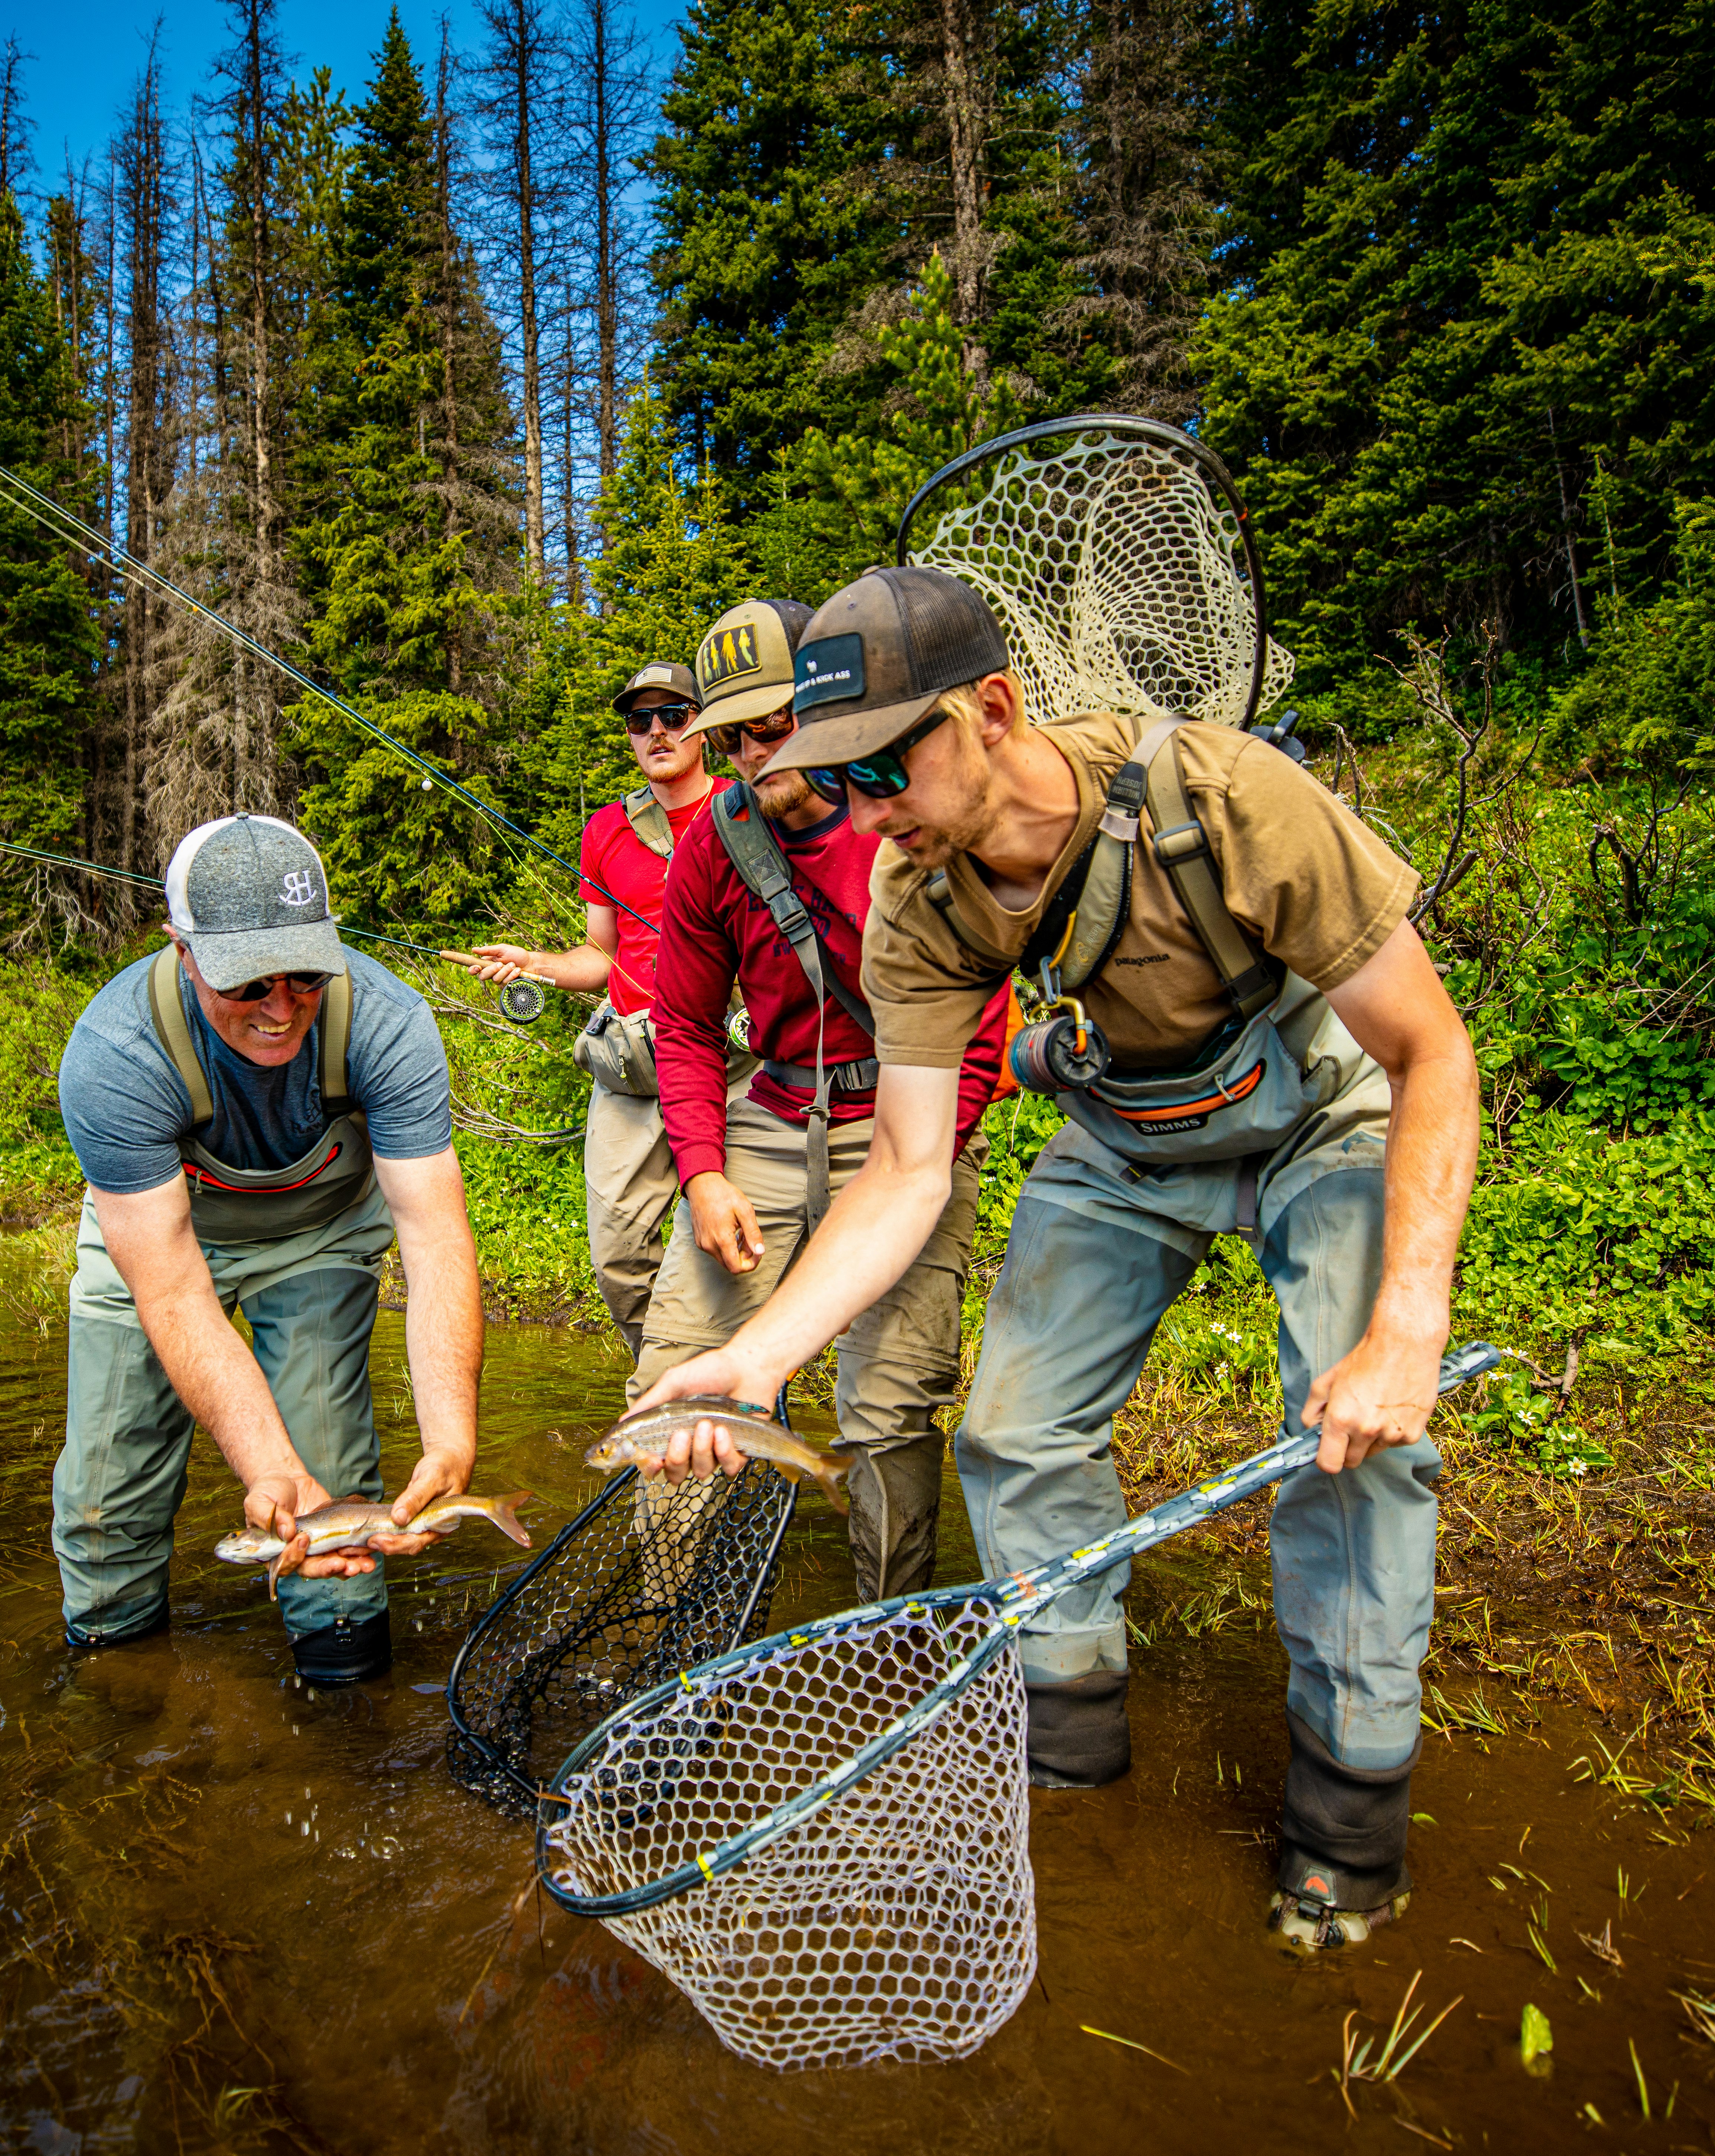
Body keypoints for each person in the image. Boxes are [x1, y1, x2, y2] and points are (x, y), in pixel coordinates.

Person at [635, 565, 1480, 1953]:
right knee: (1010, 1430)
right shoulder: (920, 895)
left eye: (881, 767)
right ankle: (1071, 1728)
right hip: (1128, 1123)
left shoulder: (1218, 795)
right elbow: (908, 1168)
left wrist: (1402, 1327)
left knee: (1349, 1444)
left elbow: (1426, 1048)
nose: (859, 811)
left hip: (1316, 1110)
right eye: (830, 777)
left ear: (990, 708)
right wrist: (753, 1354)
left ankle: (1347, 1807)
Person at [54, 814, 488, 1687]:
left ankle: (345, 1694)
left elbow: (435, 1238)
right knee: (108, 1490)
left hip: (321, 1234)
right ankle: (114, 1690)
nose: (281, 1007)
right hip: (158, 1247)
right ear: (183, 951)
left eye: (303, 973)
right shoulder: (115, 1056)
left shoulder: (388, 1024)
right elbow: (173, 1293)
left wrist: (451, 1436)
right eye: (248, 982)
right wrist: (266, 1468)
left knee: (328, 1476)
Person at [636, 597, 1011, 1599]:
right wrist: (705, 1173)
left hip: (909, 1116)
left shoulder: (907, 811)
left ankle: (884, 1633)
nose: (761, 752)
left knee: (888, 1409)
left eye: (776, 722)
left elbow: (981, 1029)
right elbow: (681, 1026)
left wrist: (900, 1178)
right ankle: (673, 1632)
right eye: (736, 735)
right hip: (774, 1113)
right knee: (673, 1378)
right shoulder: (716, 841)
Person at [464, 659, 724, 1373]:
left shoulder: (746, 810)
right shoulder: (607, 830)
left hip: (734, 1062)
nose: (656, 731)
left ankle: (706, 1397)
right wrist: (535, 964)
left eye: (673, 715)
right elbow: (601, 955)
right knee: (618, 1259)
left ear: (703, 725)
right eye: (640, 721)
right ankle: (671, 1386)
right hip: (635, 1062)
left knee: (725, 1241)